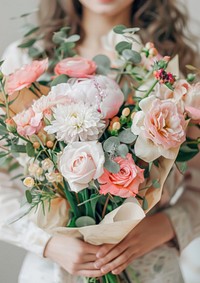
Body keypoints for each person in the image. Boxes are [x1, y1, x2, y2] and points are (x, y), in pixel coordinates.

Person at [0, 0, 200, 282]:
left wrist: (166, 225)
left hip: (149, 263)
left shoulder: (175, 67)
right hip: (56, 269)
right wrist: (46, 242)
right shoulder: (23, 61)